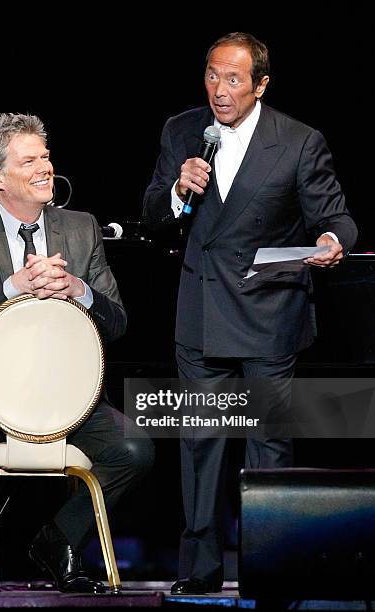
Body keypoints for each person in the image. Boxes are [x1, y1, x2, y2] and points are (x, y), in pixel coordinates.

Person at [143, 32, 357, 595]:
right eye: (212, 75)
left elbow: (336, 216)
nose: (220, 89)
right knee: (200, 445)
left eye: (234, 79)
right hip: (202, 311)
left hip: (269, 312)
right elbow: (151, 218)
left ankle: (272, 568)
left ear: (260, 84)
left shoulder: (298, 141)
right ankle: (200, 571)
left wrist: (332, 238)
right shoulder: (181, 130)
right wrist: (174, 191)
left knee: (268, 446)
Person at [0, 113, 154, 592]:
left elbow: (117, 323)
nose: (44, 167)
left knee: (133, 450)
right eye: (29, 160)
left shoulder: (82, 228)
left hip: (65, 392)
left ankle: (59, 540)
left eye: (46, 156)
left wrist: (79, 289)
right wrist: (12, 287)